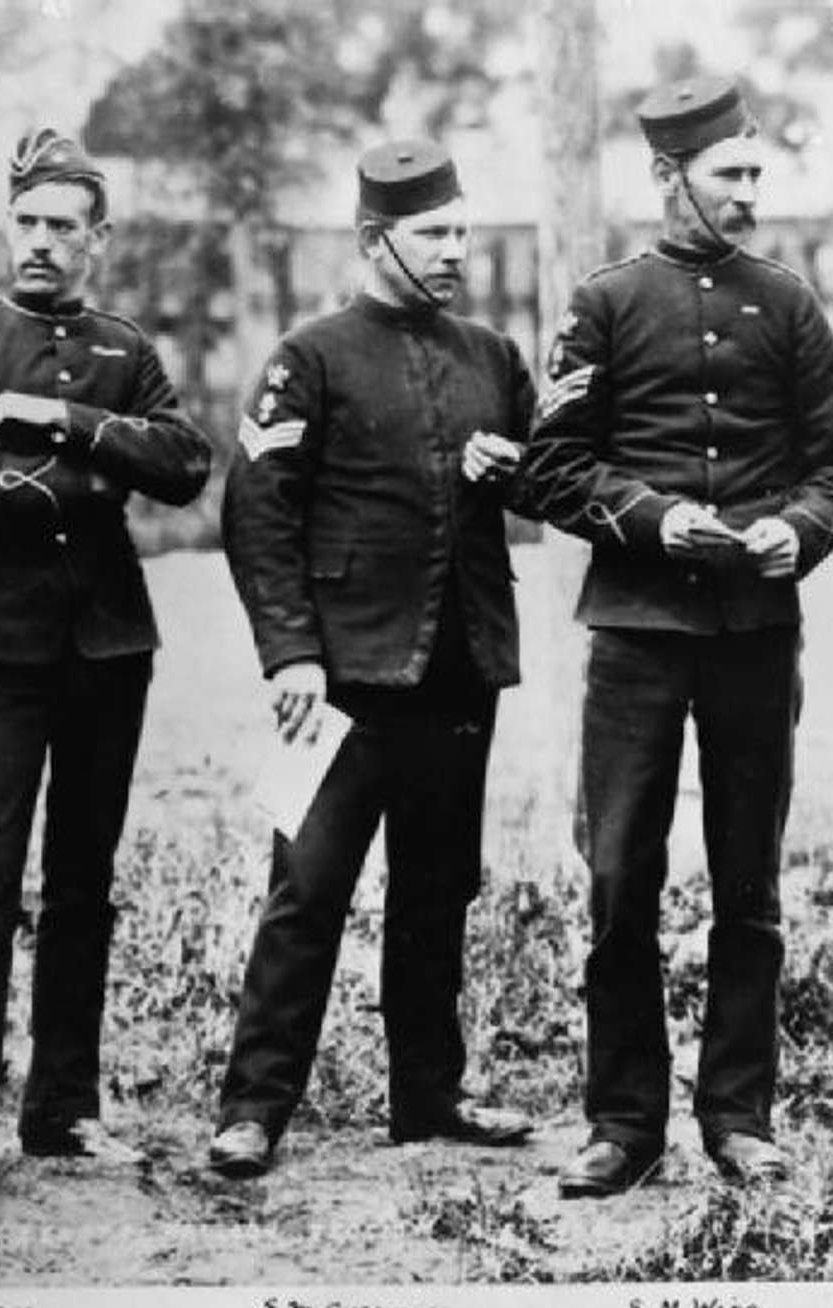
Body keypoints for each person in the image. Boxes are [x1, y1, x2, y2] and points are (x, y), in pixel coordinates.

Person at [514, 76, 833, 1196]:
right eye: (731, 175)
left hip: (754, 632)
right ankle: (623, 1122)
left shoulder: (788, 304)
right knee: (620, 873)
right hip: (634, 633)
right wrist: (653, 519)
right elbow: (553, 467)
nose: (750, 194)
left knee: (747, 878)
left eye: (757, 173)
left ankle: (738, 1116)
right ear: (669, 177)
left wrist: (795, 530)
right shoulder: (605, 303)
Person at [207, 139, 536, 1178]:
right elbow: (256, 514)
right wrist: (291, 656)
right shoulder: (307, 358)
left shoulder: (493, 357)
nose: (454, 251)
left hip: (457, 672)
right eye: (432, 234)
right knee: (304, 889)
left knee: (438, 890)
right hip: (334, 685)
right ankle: (254, 1107)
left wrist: (515, 469)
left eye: (461, 231)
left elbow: (548, 481)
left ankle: (427, 1098)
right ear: (371, 239)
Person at [0, 127, 212, 1216]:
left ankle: (63, 1107)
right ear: (8, 227)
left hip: (108, 648)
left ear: (98, 240)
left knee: (84, 883)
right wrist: (90, 476)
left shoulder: (125, 350)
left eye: (62, 227)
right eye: (27, 223)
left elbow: (185, 463)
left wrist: (57, 421)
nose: (41, 243)